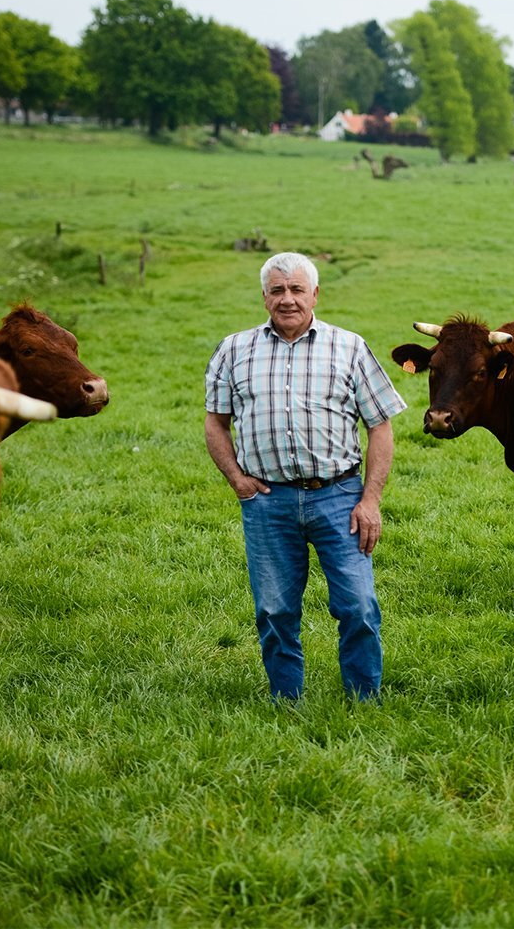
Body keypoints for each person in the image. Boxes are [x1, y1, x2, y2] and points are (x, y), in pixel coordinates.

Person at [204, 252, 406, 701]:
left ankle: (363, 699)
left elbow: (380, 425)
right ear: (264, 297)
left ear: (315, 294)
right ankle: (286, 700)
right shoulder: (233, 350)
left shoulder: (349, 347)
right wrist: (237, 479)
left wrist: (370, 499)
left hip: (339, 497)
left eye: (297, 289)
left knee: (358, 605)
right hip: (267, 501)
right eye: (277, 290)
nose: (287, 299)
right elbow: (215, 422)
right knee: (274, 609)